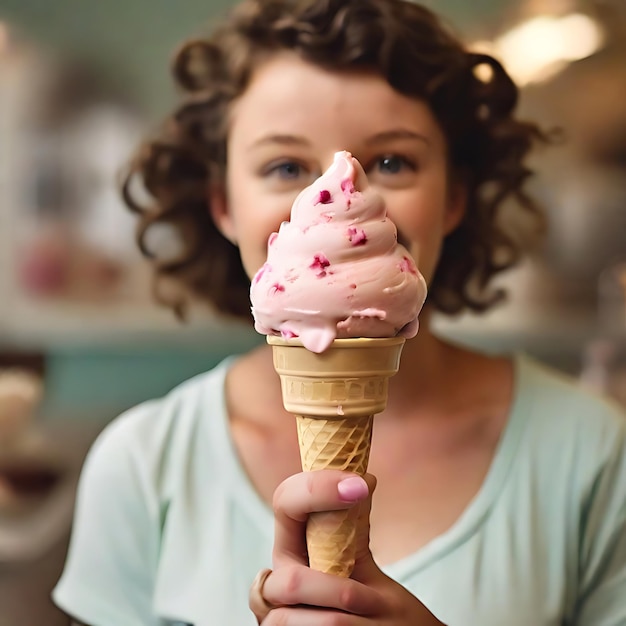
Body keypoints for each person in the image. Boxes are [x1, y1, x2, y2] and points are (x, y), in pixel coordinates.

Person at [52, 0, 626, 624]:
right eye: (286, 166)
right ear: (223, 205)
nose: (335, 194)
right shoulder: (142, 465)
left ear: (455, 196)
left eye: (391, 161)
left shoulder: (595, 454)